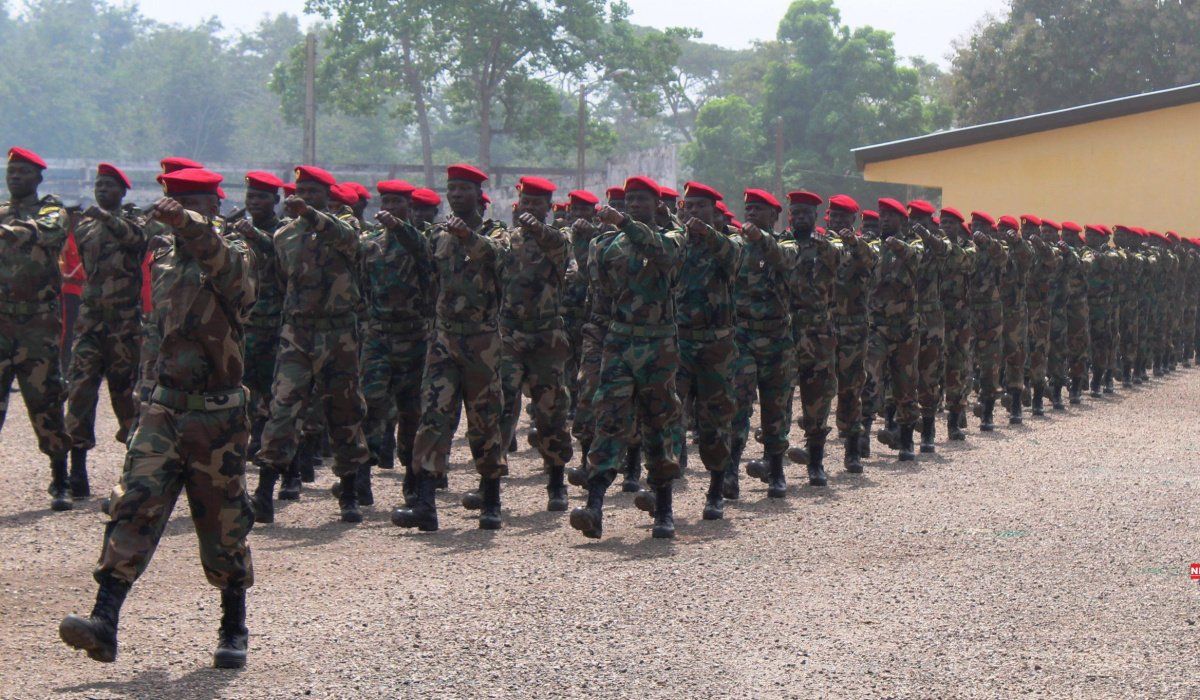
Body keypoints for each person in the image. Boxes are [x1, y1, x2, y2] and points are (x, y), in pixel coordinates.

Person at [59, 167, 256, 669]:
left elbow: (226, 269)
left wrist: (189, 224)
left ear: (212, 205)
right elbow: (158, 328)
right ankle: (104, 620)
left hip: (217, 418)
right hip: (164, 410)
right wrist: (146, 392)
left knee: (223, 524)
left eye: (189, 203)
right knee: (134, 506)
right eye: (173, 204)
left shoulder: (237, 253)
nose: (177, 214)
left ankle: (233, 625)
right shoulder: (165, 255)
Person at [392, 164, 510, 532]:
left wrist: (468, 239)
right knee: (433, 417)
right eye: (451, 189)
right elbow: (424, 255)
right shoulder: (439, 234)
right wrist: (399, 228)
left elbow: (498, 258)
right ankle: (425, 502)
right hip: (444, 340)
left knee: (484, 420)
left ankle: (490, 500)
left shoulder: (497, 232)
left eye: (463, 189)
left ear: (478, 195)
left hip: (481, 341)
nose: (456, 195)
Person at [252, 165, 371, 524]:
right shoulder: (285, 235)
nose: (305, 198)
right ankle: (264, 491)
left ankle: (349, 492)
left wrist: (313, 215)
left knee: (344, 411)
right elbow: (280, 281)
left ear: (327, 197)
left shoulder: (345, 229)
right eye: (301, 192)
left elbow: (350, 242)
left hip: (339, 336)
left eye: (314, 193)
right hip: (298, 334)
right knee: (283, 409)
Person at [569, 175, 684, 540]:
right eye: (629, 199)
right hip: (619, 342)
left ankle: (663, 509)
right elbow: (599, 297)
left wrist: (628, 225)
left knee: (658, 423)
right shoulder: (605, 244)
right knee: (609, 420)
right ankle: (595, 505)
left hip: (657, 344)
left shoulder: (672, 238)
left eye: (642, 200)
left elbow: (664, 254)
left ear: (657, 205)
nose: (633, 205)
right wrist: (597, 342)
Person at [659, 181, 740, 520]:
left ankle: (715, 489)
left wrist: (708, 234)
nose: (693, 214)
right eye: (688, 207)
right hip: (678, 341)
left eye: (701, 208)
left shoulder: (727, 244)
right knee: (668, 415)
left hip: (715, 345)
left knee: (714, 421)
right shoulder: (675, 243)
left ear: (715, 212)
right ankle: (663, 497)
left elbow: (733, 259)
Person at [63, 164, 145, 499]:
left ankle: (136, 468)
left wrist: (107, 216)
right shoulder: (85, 228)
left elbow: (136, 241)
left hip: (124, 326)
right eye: (98, 185)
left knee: (125, 395)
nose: (102, 190)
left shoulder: (134, 221)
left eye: (109, 186)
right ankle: (76, 468)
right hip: (91, 323)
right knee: (80, 391)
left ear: (122, 191)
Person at [491, 176, 572, 512]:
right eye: (527, 202)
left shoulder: (559, 238)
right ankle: (490, 487)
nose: (531, 208)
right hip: (509, 334)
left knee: (550, 410)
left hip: (546, 336)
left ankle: (556, 481)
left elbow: (558, 246)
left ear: (549, 208)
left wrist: (538, 229)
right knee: (500, 405)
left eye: (538, 204)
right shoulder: (505, 239)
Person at [0, 146, 73, 510]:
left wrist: (8, 231)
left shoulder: (51, 212)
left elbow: (45, 232)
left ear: (38, 178)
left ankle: (60, 479)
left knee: (44, 401)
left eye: (23, 173)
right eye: (11, 172)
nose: (15, 178)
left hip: (37, 325)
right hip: (1, 320)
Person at [358, 179, 435, 507]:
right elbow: (364, 284)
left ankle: (412, 477)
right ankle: (360, 477)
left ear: (410, 207)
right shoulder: (370, 242)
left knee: (412, 411)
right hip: (379, 337)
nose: (390, 207)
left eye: (398, 202)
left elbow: (421, 251)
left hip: (414, 337)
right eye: (386, 201)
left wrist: (401, 227)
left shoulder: (423, 239)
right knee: (370, 404)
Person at [729, 188, 793, 498]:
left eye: (759, 209)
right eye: (748, 209)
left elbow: (782, 261)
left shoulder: (785, 244)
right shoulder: (734, 246)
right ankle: (729, 472)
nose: (751, 214)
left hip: (776, 338)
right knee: (738, 403)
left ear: (774, 216)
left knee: (774, 405)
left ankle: (776, 470)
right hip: (741, 336)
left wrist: (761, 239)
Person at [776, 190, 839, 488]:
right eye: (795, 213)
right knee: (780, 399)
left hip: (817, 333)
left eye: (805, 213)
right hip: (785, 331)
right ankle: (775, 464)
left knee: (817, 399)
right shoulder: (779, 244)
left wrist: (821, 240)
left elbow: (844, 259)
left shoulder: (826, 246)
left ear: (815, 216)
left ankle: (815, 463)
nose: (799, 218)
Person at [229, 171, 286, 463]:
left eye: (262, 196)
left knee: (273, 385)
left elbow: (280, 253)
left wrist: (254, 236)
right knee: (245, 381)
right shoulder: (238, 230)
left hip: (275, 322)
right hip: (247, 321)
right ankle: (251, 433)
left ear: (275, 201)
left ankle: (271, 439)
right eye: (251, 196)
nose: (255, 202)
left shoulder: (284, 229)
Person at [864, 198, 920, 461]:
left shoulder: (912, 246)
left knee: (904, 384)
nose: (884, 219)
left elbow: (917, 258)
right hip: (876, 327)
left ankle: (906, 440)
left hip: (905, 329)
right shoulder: (873, 246)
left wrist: (896, 245)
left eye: (890, 216)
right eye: (882, 215)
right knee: (869, 380)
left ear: (903, 221)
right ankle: (860, 439)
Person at [827, 194, 876, 470]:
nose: (838, 222)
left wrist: (853, 242)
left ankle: (853, 448)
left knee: (850, 388)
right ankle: (815, 452)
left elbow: (869, 261)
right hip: (822, 328)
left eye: (844, 218)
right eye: (834, 217)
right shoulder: (820, 243)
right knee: (820, 388)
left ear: (853, 221)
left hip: (853, 328)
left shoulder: (861, 248)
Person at [907, 200, 948, 453]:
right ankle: (903, 429)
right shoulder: (903, 240)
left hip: (931, 319)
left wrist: (926, 234)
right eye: (913, 220)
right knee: (903, 375)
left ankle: (929, 427)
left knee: (929, 374)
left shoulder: (938, 242)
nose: (915, 225)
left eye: (920, 220)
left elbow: (944, 252)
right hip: (904, 317)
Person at [937, 208, 975, 439]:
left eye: (951, 223)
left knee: (957, 367)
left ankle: (954, 419)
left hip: (959, 319)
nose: (946, 227)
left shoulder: (968, 249)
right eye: (943, 223)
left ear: (960, 227)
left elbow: (962, 260)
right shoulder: (932, 248)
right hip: (933, 316)